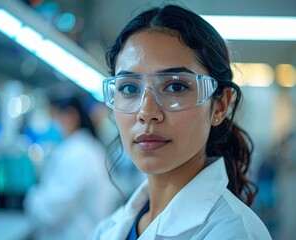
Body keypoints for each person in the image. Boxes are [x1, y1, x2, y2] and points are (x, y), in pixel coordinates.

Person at [90, 4, 272, 240]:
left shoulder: (234, 233)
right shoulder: (108, 230)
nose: (146, 112)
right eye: (129, 88)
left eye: (175, 86)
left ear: (219, 105)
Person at [24, 96, 117, 240]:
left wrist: (31, 197)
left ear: (70, 116)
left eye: (53, 116)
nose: (52, 124)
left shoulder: (77, 155)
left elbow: (51, 211)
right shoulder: (86, 148)